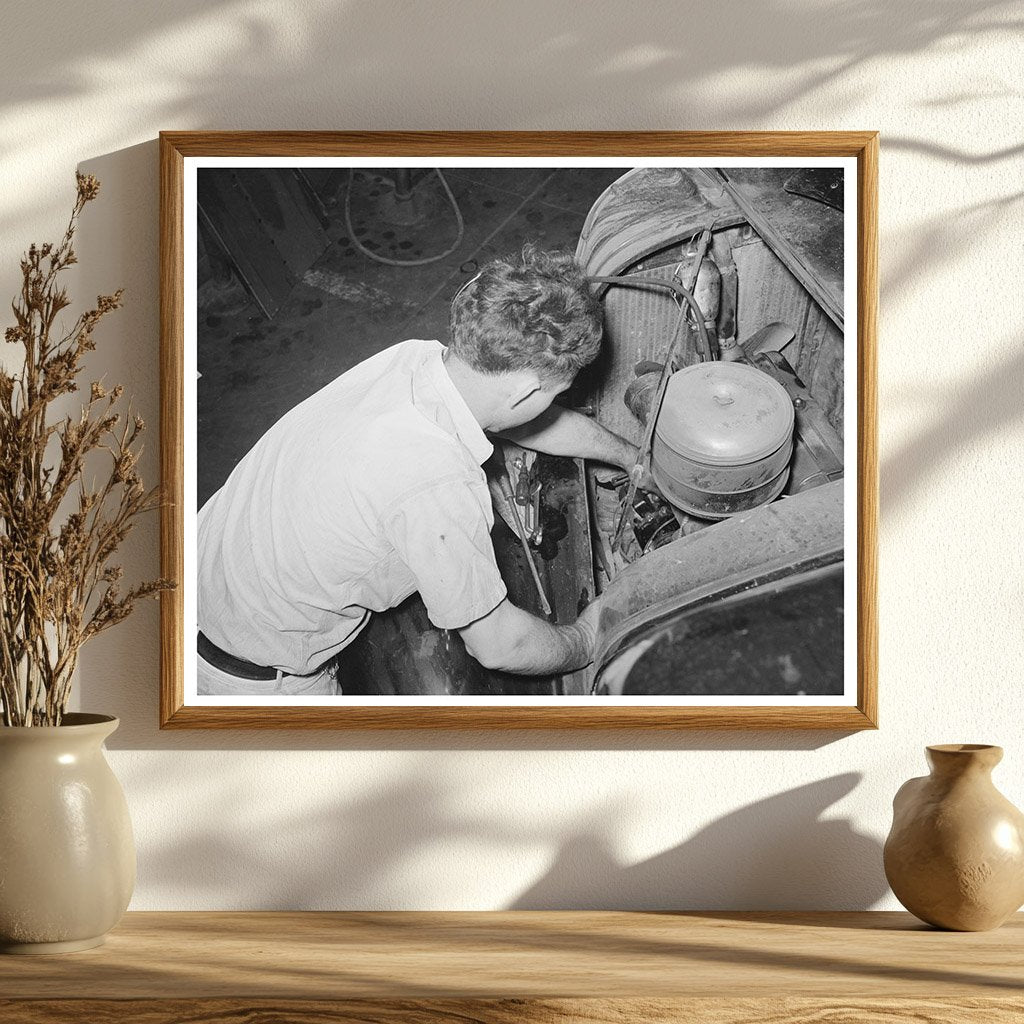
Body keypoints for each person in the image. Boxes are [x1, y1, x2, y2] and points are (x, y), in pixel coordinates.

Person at [196, 245, 647, 695]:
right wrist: (586, 639)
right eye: (555, 392)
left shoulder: (416, 361)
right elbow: (499, 645)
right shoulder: (438, 482)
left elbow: (522, 421)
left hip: (193, 584)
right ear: (526, 392)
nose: (550, 403)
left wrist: (629, 455)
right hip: (248, 674)